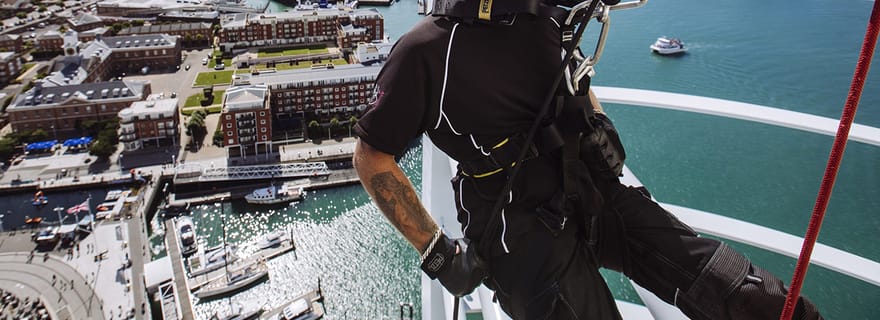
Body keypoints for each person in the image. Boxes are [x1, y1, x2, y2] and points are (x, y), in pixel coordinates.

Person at [352, 0, 822, 319]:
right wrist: (438, 254)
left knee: (742, 292)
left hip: (590, 186)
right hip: (517, 227)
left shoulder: (547, 19)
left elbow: (572, 76)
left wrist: (598, 124)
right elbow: (373, 157)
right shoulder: (426, 52)